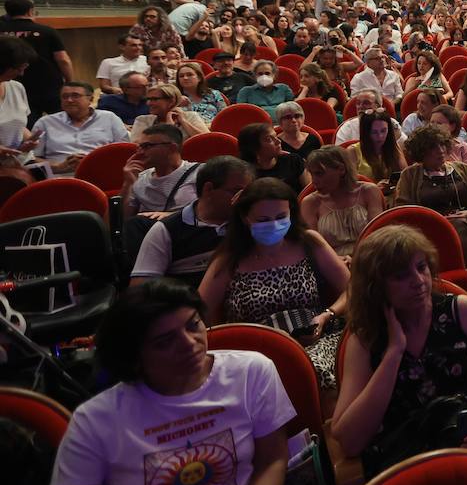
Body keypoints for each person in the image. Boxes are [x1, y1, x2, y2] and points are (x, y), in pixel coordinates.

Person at [44, 280, 295, 485]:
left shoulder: (251, 373)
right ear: (134, 357)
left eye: (193, 325)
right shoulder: (95, 420)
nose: (189, 343)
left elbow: (272, 460)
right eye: (165, 342)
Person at [331, 225, 467, 485]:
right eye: (401, 275)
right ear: (376, 287)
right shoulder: (365, 339)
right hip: (413, 464)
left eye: (421, 267)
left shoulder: (459, 310)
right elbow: (350, 441)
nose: (418, 280)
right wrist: (394, 353)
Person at [198, 177, 349, 390]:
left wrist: (328, 314)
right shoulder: (230, 259)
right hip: (257, 349)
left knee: (316, 369)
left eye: (281, 217)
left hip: (318, 337)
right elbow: (200, 311)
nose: (274, 225)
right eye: (262, 219)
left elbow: (352, 289)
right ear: (245, 218)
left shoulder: (308, 242)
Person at [129, 156, 255, 286]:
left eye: (247, 193)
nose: (243, 199)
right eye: (237, 192)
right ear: (208, 189)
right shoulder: (166, 230)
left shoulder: (251, 223)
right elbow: (140, 288)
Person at [395, 125, 467, 265]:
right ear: (421, 153)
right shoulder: (410, 175)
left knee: (460, 224)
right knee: (457, 225)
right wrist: (436, 220)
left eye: (442, 145)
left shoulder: (462, 169)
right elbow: (404, 210)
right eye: (433, 148)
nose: (440, 151)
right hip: (428, 230)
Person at [0, 0, 75, 121]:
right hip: (48, 85)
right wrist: (70, 81)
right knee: (62, 122)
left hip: (13, 86)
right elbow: (63, 59)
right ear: (30, 11)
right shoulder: (47, 31)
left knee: (27, 122)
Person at [301, 146, 385, 258]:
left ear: (341, 169)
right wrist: (339, 261)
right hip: (331, 264)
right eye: (312, 174)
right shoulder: (310, 203)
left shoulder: (369, 191)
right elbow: (314, 248)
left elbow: (377, 236)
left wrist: (357, 259)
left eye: (319, 174)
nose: (314, 181)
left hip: (370, 258)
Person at [32, 81, 129, 173]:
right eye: (65, 97)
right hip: (60, 177)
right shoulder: (45, 122)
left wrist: (96, 163)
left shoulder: (109, 118)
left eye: (75, 96)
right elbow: (31, 157)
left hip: (102, 174)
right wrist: (57, 166)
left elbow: (124, 151)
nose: (69, 100)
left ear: (90, 99)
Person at [237, 121, 305, 192]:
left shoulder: (293, 160)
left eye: (276, 136)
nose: (278, 141)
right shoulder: (244, 173)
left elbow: (308, 191)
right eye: (269, 139)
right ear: (254, 147)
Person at [347, 110, 406, 188]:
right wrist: (374, 187)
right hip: (365, 196)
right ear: (366, 133)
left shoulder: (394, 147)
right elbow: (349, 186)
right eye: (374, 132)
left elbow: (405, 176)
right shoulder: (352, 151)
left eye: (383, 131)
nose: (380, 136)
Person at [130, 84, 209, 142]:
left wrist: (183, 121)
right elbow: (136, 145)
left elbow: (207, 140)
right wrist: (168, 128)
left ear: (171, 101)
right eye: (148, 99)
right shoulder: (142, 120)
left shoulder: (191, 116)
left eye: (154, 99)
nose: (149, 103)